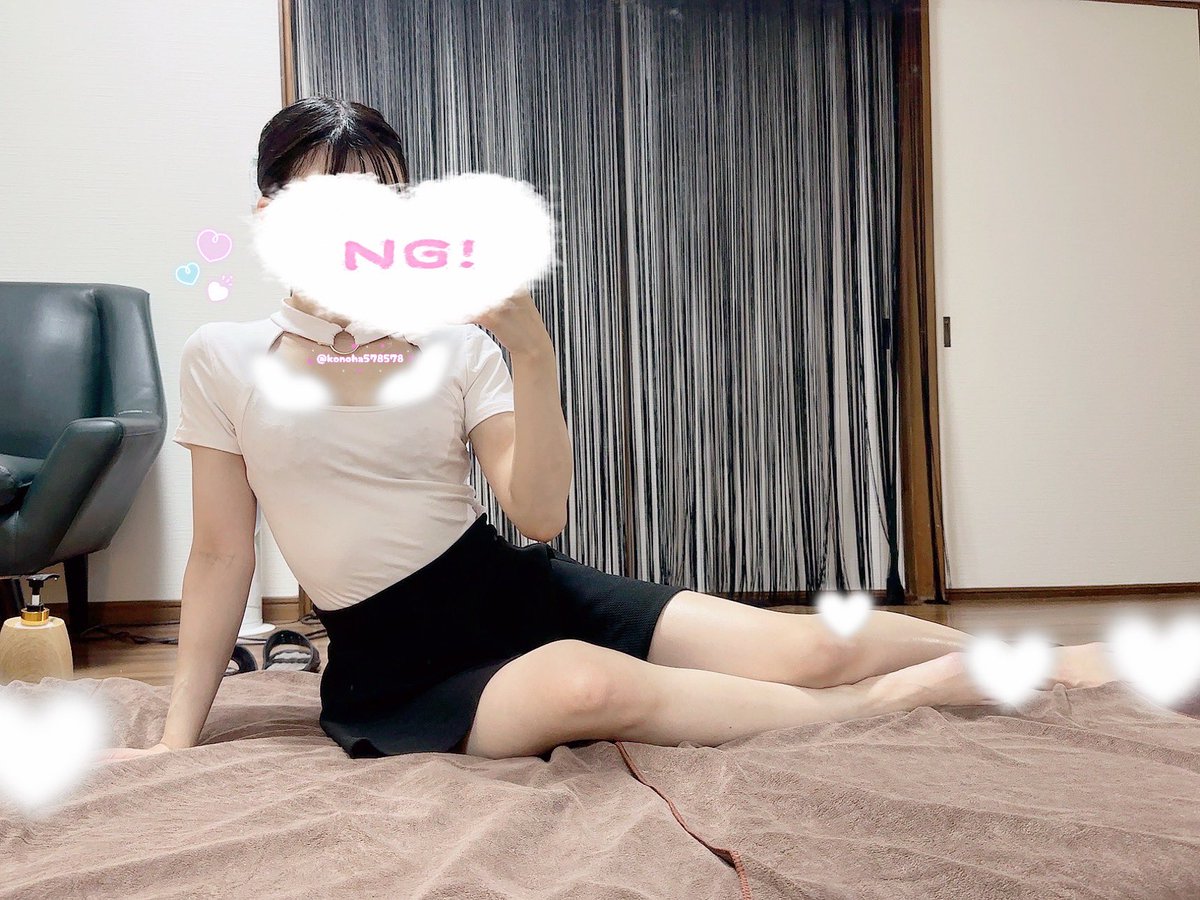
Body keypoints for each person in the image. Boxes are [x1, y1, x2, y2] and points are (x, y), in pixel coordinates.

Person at [100, 97, 1117, 764]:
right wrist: (179, 738)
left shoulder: (455, 346)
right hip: (396, 663)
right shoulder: (221, 358)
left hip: (512, 585)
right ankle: (890, 704)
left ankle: (1030, 660)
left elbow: (539, 515)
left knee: (806, 645)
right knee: (589, 687)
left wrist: (532, 353)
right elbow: (222, 554)